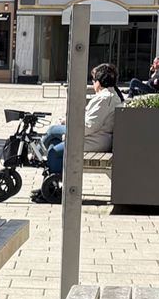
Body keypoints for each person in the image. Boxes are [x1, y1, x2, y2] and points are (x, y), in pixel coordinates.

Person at [33, 63, 122, 205]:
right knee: (54, 143)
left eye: (93, 80)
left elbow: (89, 126)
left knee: (53, 145)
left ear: (99, 82)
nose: (92, 83)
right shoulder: (110, 96)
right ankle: (49, 186)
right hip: (96, 136)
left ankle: (37, 158)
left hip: (94, 140)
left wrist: (69, 125)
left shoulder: (104, 98)